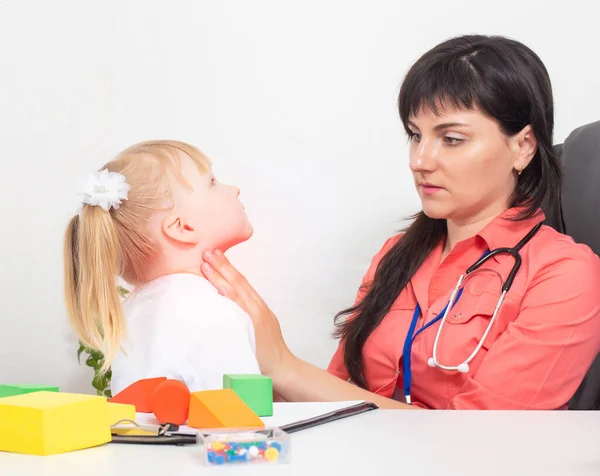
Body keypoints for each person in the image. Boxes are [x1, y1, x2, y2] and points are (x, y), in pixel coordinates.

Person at [200, 35, 600, 410]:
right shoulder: (396, 255)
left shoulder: (565, 274)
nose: (419, 160)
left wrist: (284, 365)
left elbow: (483, 438)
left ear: (523, 146)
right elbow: (339, 397)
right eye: (414, 134)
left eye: (452, 139)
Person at [63, 140, 260, 395]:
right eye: (212, 182)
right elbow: (242, 422)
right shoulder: (209, 313)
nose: (234, 189)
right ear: (183, 227)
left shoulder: (133, 313)